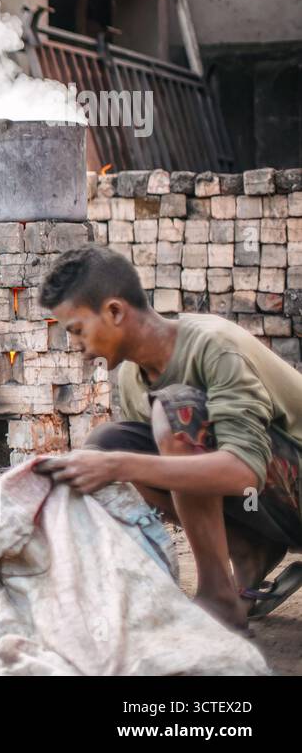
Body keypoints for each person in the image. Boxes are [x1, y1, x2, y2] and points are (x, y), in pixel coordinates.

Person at [38, 244, 302, 630]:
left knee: (172, 415)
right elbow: (160, 476)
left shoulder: (214, 346)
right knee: (109, 441)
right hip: (261, 507)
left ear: (114, 311)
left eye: (77, 330)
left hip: (283, 480)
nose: (76, 347)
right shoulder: (132, 377)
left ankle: (217, 595)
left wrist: (117, 466)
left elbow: (245, 472)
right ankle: (248, 549)